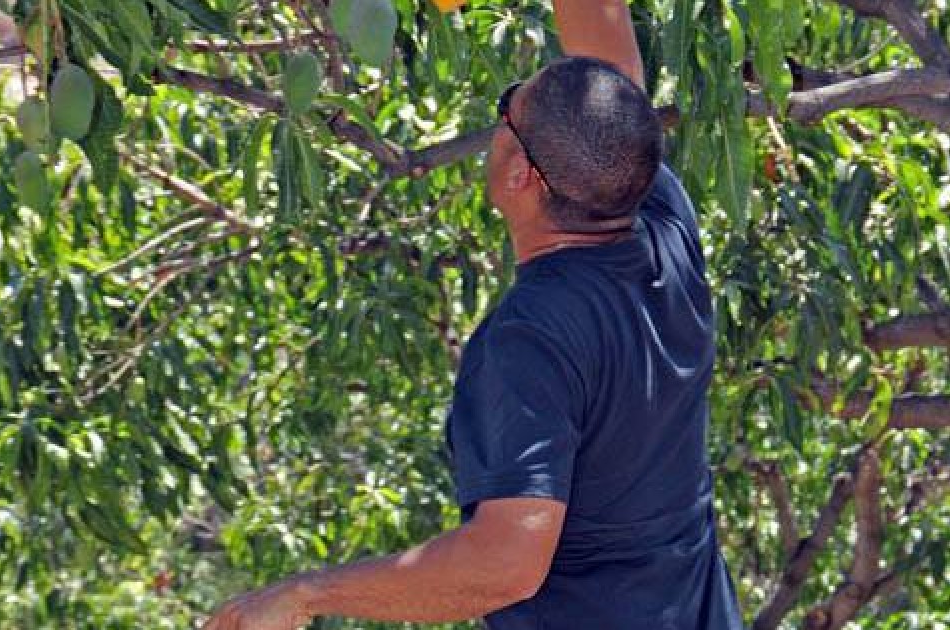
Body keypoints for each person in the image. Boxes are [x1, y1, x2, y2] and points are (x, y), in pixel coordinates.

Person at [202, 1, 745, 628]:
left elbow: (505, 563)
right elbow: (610, 72)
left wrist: (305, 595)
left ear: (520, 176)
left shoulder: (532, 338)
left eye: (505, 108)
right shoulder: (656, 217)